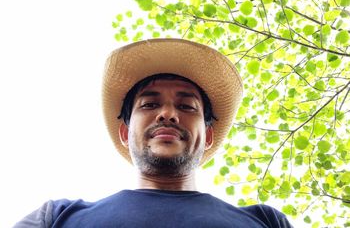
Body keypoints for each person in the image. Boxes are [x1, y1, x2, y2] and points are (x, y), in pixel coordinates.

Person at [15, 38, 293, 227]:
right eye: (149, 104)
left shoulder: (267, 221)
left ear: (208, 136)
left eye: (186, 106)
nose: (168, 114)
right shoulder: (56, 217)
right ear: (125, 132)